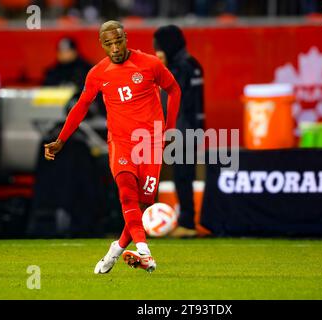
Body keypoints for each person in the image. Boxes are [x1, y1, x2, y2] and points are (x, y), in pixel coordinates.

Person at [44, 20, 181, 273]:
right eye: (109, 44)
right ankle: (145, 254)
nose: (115, 48)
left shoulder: (150, 64)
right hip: (120, 143)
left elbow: (174, 90)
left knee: (141, 205)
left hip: (151, 143)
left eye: (118, 41)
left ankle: (116, 249)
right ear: (102, 45)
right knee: (127, 193)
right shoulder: (98, 73)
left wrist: (170, 129)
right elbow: (81, 107)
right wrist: (61, 140)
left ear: (126, 38)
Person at [153, 25, 205, 238]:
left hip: (181, 129)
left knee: (182, 176)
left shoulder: (179, 68)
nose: (157, 51)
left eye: (158, 46)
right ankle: (187, 222)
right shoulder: (192, 64)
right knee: (184, 176)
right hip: (190, 128)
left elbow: (169, 97)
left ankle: (187, 224)